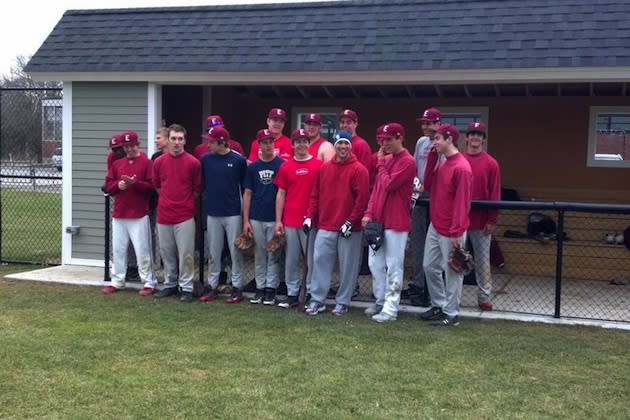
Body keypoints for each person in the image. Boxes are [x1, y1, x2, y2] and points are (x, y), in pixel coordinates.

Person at [304, 130, 369, 316]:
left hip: (349, 229)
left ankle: (342, 302)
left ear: (350, 146)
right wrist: (310, 216)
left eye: (346, 143)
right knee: (319, 262)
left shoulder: (359, 170)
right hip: (325, 224)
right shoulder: (324, 169)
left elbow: (361, 200)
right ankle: (318, 299)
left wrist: (350, 221)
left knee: (348, 266)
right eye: (339, 143)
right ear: (334, 145)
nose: (342, 147)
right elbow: (315, 195)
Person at [361, 123, 416, 322]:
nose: (385, 144)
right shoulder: (386, 159)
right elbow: (376, 190)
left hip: (397, 221)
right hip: (378, 219)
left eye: (389, 139)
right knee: (374, 263)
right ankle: (380, 300)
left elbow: (390, 184)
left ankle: (391, 308)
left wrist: (381, 164)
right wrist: (368, 212)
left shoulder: (407, 161)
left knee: (394, 265)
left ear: (400, 138)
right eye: (383, 140)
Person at [421, 124, 472, 326]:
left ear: (449, 139)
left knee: (453, 271)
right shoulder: (443, 162)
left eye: (438, 138)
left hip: (452, 229)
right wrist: (433, 157)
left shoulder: (461, 167)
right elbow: (428, 184)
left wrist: (457, 232)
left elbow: (462, 203)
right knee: (429, 266)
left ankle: (451, 313)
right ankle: (439, 304)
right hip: (436, 224)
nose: (434, 142)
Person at [102, 131, 157, 295]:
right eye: (126, 146)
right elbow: (107, 186)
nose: (130, 149)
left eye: (132, 145)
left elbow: (151, 187)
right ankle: (117, 280)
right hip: (120, 213)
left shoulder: (147, 163)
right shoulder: (117, 164)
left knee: (142, 249)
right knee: (118, 249)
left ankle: (148, 281)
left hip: (139, 213)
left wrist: (135, 184)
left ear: (137, 145)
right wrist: (118, 186)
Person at [153, 124, 203, 302]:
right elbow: (158, 185)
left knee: (186, 254)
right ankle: (170, 284)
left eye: (180, 139)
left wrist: (184, 202)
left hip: (185, 216)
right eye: (173, 138)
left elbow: (196, 189)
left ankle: (187, 287)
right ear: (168, 140)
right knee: (166, 252)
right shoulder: (159, 162)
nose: (176, 142)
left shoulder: (193, 163)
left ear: (185, 141)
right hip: (164, 215)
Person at [274, 128, 323, 308]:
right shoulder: (285, 166)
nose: (302, 144)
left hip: (310, 221)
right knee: (291, 259)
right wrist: (278, 220)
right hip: (290, 220)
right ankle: (292, 293)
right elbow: (281, 194)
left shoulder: (319, 165)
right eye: (298, 141)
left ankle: (310, 292)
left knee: (311, 259)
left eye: (305, 141)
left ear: (309, 143)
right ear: (293, 144)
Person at [199, 126, 248, 303]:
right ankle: (212, 286)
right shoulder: (205, 159)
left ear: (221, 141)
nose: (208, 144)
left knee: (235, 251)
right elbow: (202, 184)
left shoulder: (237, 160)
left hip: (233, 212)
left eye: (211, 141)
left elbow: (244, 188)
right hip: (213, 212)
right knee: (213, 252)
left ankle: (237, 287)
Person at [243, 129, 285, 305]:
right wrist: (245, 220)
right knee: (260, 254)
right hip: (257, 216)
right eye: (264, 142)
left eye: (270, 142)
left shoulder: (281, 164)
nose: (268, 145)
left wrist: (279, 220)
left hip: (273, 218)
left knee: (273, 254)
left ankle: (271, 289)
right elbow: (247, 193)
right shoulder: (253, 167)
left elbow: (283, 193)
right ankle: (260, 288)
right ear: (259, 145)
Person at [463, 121, 501, 311]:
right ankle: (452, 295)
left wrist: (492, 219)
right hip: (460, 220)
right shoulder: (459, 159)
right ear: (467, 137)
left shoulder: (491, 163)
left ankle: (484, 297)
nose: (475, 137)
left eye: (479, 134)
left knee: (482, 260)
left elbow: (495, 193)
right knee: (456, 259)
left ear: (483, 139)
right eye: (472, 134)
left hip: (481, 220)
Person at [407, 107, 442, 307]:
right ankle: (418, 285)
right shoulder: (421, 142)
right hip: (420, 196)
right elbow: (414, 167)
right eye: (423, 123)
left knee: (435, 246)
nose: (425, 127)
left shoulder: (443, 142)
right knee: (418, 242)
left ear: (438, 124)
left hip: (436, 198)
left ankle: (434, 289)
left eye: (429, 123)